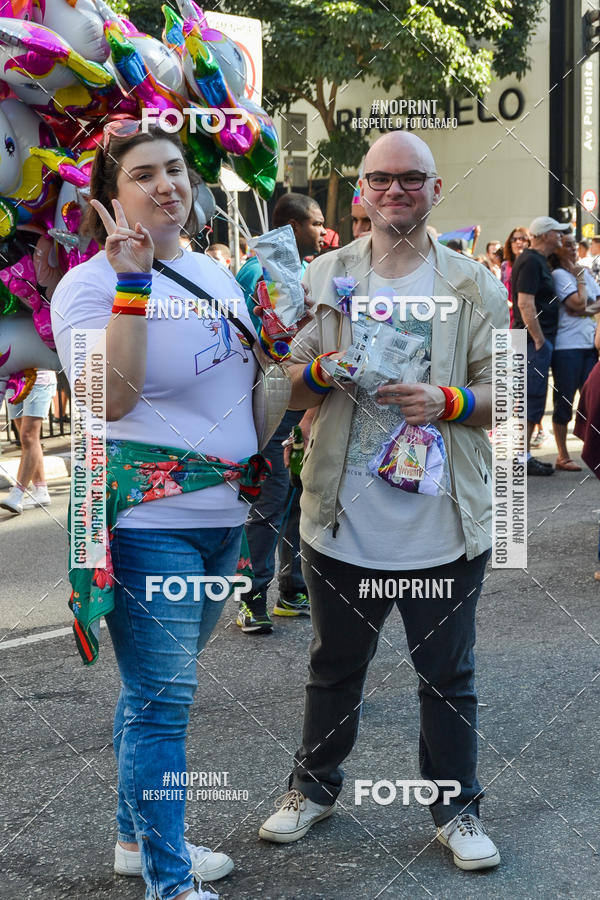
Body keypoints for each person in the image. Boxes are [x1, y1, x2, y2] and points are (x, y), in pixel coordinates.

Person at [50, 122, 290, 900]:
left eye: (177, 170)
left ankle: (132, 839)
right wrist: (132, 284)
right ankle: (168, 880)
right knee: (163, 704)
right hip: (147, 524)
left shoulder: (218, 274)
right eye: (144, 174)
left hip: (228, 517)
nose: (166, 186)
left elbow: (251, 383)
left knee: (153, 692)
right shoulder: (87, 287)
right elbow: (108, 398)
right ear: (108, 199)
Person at [258, 131, 508, 871]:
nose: (395, 190)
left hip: (445, 522)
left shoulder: (473, 284)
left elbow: (507, 392)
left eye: (411, 179)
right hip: (342, 520)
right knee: (333, 666)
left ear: (435, 190)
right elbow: (280, 384)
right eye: (380, 179)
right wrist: (322, 370)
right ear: (361, 191)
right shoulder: (319, 277)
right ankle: (313, 789)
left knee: (449, 677)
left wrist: (449, 398)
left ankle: (457, 810)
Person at [235, 192, 326, 633]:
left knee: (297, 498)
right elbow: (262, 344)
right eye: (316, 223)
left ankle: (292, 590)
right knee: (269, 502)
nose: (323, 232)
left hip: (303, 406)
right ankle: (250, 598)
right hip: (269, 406)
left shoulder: (306, 271)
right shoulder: (261, 270)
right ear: (291, 227)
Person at [511, 216, 570, 476]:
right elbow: (525, 302)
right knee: (531, 397)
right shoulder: (531, 260)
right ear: (545, 234)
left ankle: (524, 455)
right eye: (557, 232)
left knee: (532, 397)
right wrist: (538, 339)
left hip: (534, 340)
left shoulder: (537, 261)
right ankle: (521, 457)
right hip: (531, 341)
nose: (560, 237)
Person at [548, 232, 600, 470]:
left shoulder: (584, 272)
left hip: (588, 345)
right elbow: (577, 304)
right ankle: (562, 455)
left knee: (593, 402)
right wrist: (580, 281)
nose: (572, 249)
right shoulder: (560, 274)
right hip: (567, 348)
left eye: (573, 245)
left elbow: (593, 302)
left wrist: (584, 307)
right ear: (557, 250)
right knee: (564, 401)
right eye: (566, 245)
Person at [0, 369, 55, 513]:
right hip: (14, 381)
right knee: (26, 439)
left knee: (28, 436)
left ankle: (17, 494)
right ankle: (41, 489)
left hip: (39, 380)